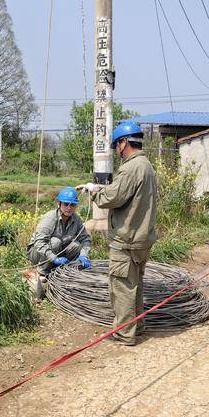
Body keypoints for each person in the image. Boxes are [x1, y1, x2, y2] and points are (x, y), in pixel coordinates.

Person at [78, 120, 157, 346]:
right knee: (135, 285)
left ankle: (124, 333)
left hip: (127, 240)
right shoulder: (146, 166)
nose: (117, 151)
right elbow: (124, 192)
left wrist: (94, 194)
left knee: (121, 288)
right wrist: (102, 190)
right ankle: (137, 326)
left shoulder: (131, 167)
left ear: (124, 142)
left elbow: (114, 197)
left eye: (117, 145)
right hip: (142, 238)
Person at [26, 187, 93, 276]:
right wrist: (54, 258)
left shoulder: (76, 219)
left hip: (59, 250)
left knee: (76, 245)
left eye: (72, 205)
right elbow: (39, 242)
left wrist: (84, 255)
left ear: (76, 206)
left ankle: (65, 270)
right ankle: (42, 272)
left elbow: (85, 239)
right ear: (59, 204)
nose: (69, 208)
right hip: (38, 253)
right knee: (55, 242)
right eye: (66, 204)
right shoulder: (50, 218)